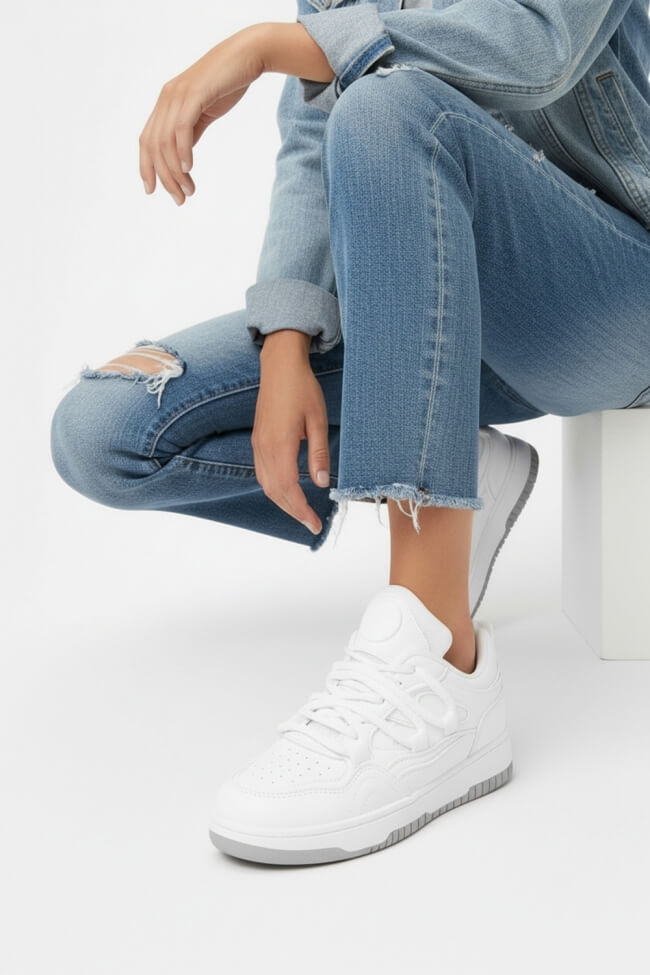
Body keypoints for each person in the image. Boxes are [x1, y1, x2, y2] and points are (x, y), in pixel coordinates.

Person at [50, 0, 650, 865]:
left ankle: (441, 668)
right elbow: (313, 132)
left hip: (610, 292)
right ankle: (454, 464)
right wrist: (287, 338)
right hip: (431, 304)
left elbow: (539, 47)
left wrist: (266, 46)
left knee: (389, 106)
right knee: (106, 429)